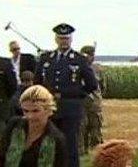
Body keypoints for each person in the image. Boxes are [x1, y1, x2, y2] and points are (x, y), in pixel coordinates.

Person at [34, 23, 98, 167]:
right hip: (48, 108)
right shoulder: (46, 58)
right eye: (61, 38)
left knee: (69, 144)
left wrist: (76, 94)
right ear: (56, 39)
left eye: (66, 38)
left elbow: (92, 84)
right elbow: (37, 82)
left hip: (70, 108)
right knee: (48, 142)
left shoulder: (79, 59)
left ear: (71, 40)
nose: (64, 41)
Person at [0, 85, 68, 167]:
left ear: (48, 110)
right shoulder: (14, 126)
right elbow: (0, 158)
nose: (30, 116)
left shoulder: (57, 139)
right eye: (26, 111)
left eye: (35, 111)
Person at [78, 45, 105, 156]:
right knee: (81, 126)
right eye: (88, 55)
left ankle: (97, 150)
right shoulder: (76, 67)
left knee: (96, 127)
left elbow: (103, 87)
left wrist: (98, 97)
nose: (91, 57)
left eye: (92, 55)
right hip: (81, 103)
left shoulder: (98, 69)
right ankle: (82, 151)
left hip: (95, 104)